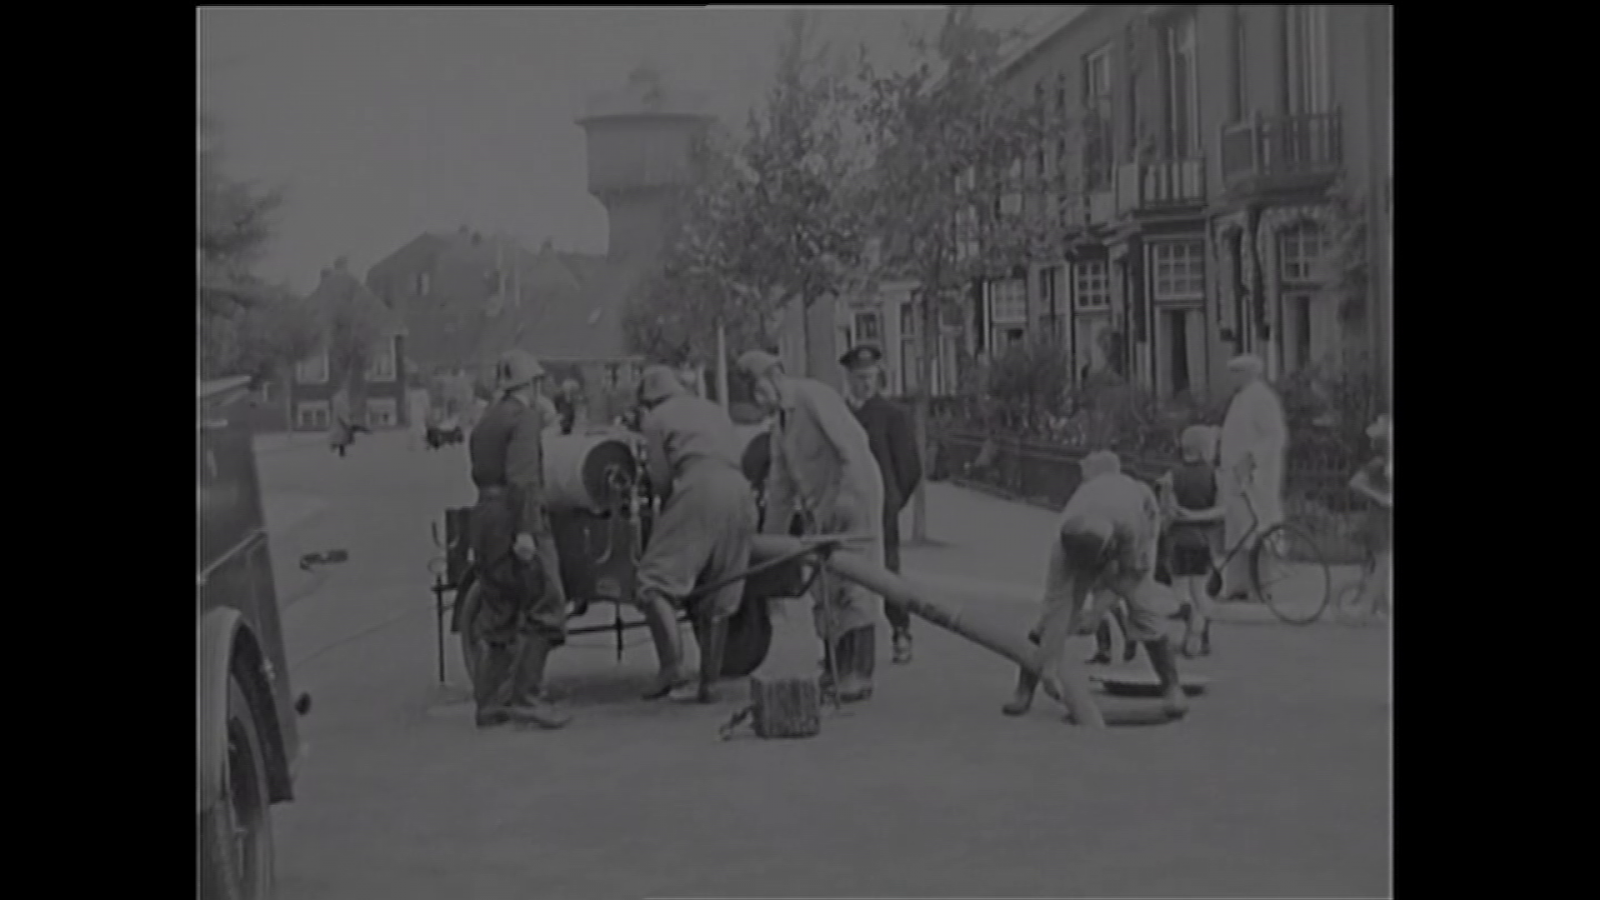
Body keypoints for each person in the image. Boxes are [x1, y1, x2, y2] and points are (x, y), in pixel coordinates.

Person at [737, 349, 886, 703]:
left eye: (759, 390)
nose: (758, 400)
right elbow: (781, 490)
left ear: (774, 378)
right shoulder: (780, 427)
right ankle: (836, 668)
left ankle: (859, 674)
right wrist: (768, 545)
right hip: (823, 508)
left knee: (856, 584)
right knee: (826, 585)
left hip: (854, 496)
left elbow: (851, 447)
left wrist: (847, 502)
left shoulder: (813, 396)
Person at [1002, 451, 1188, 725]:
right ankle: (1024, 690)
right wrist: (1049, 668)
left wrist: (1096, 612)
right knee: (1049, 620)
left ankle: (1172, 687)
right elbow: (1058, 606)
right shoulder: (1062, 546)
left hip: (1139, 519)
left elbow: (1128, 578)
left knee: (1142, 608)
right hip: (1095, 526)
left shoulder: (1130, 526)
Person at [633, 365, 757, 702]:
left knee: (652, 582)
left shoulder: (657, 419)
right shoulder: (713, 409)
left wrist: (666, 510)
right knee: (721, 589)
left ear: (650, 399)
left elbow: (660, 480)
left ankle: (672, 668)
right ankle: (710, 682)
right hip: (740, 491)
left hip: (700, 486)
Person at [464, 350, 571, 730]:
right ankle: (528, 699)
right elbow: (523, 477)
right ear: (534, 385)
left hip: (485, 516)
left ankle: (490, 703)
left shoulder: (487, 420)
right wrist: (526, 531)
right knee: (547, 601)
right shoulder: (524, 418)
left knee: (499, 607)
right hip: (515, 517)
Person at [840, 344, 924, 665]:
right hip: (847, 509)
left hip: (881, 510)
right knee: (844, 576)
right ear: (848, 377)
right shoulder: (841, 416)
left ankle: (901, 632)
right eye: (860, 377)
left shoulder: (891, 415)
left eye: (871, 377)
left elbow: (910, 468)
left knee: (888, 573)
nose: (866, 384)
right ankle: (844, 646)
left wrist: (892, 500)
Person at [1217, 354, 1288, 601]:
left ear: (1248, 373)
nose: (1231, 377)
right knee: (1237, 530)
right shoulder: (1240, 399)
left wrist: (1251, 458)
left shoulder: (1262, 398)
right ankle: (1238, 585)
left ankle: (1263, 585)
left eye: (1236, 372)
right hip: (1235, 476)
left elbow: (1274, 436)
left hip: (1256, 477)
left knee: (1258, 528)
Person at [1159, 425, 1226, 657]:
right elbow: (1221, 510)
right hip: (1203, 540)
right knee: (1200, 591)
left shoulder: (1171, 476)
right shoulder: (1215, 475)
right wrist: (1197, 516)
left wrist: (1177, 517)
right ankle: (1201, 636)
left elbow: (1167, 512)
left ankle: (1190, 624)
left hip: (1178, 540)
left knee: (1179, 592)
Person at [1348, 414, 1393, 618]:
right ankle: (1365, 608)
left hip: (1384, 518)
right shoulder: (1379, 462)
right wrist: (1380, 498)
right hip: (1377, 519)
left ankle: (1381, 606)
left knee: (1379, 564)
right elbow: (1355, 482)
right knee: (1382, 563)